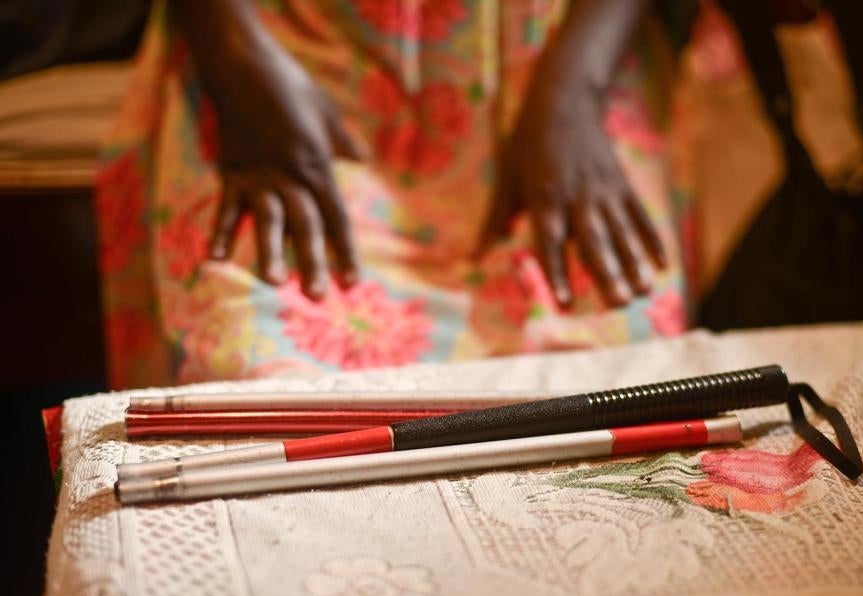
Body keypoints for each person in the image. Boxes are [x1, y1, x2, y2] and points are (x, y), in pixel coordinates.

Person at [98, 0, 691, 388]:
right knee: (256, 390)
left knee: (624, 383)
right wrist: (232, 55)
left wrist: (575, 90)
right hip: (281, 67)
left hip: (553, 70)